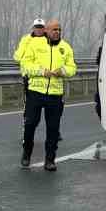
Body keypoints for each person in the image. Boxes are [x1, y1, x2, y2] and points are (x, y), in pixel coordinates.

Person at [20, 18, 77, 171]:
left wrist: (62, 71)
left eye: (59, 30)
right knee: (30, 123)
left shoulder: (66, 48)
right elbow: (25, 65)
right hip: (35, 91)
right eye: (54, 29)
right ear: (46, 31)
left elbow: (72, 68)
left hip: (55, 94)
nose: (57, 32)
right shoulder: (34, 44)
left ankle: (50, 160)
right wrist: (42, 72)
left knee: (53, 128)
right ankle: (27, 153)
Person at [14, 18, 46, 98]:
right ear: (33, 28)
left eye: (41, 27)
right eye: (37, 27)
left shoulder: (49, 40)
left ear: (44, 29)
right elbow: (18, 56)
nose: (38, 29)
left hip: (44, 75)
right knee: (30, 103)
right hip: (28, 75)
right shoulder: (26, 39)